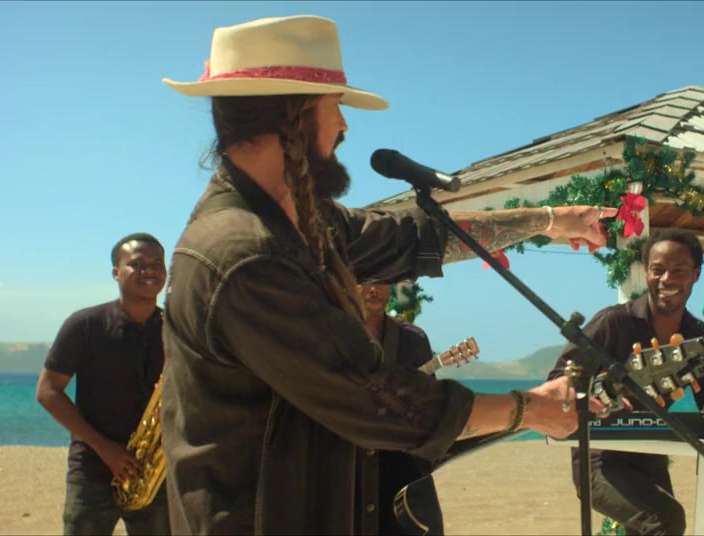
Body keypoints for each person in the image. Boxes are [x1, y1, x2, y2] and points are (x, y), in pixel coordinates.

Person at [157, 15, 615, 534]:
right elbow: (372, 400)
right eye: (335, 105)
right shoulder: (244, 253)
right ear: (293, 113)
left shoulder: (300, 221)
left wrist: (549, 221)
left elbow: (412, 237)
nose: (344, 126)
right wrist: (527, 409)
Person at [547, 228, 704, 536]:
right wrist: (594, 399)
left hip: (650, 456)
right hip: (600, 460)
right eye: (658, 270)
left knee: (662, 524)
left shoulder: (699, 335)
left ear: (696, 275)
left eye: (679, 270)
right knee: (666, 520)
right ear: (646, 273)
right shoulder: (613, 323)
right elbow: (558, 381)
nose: (667, 279)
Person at [35, 233, 170, 535]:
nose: (150, 271)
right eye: (138, 264)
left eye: (157, 264)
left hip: (155, 476)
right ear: (116, 273)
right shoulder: (85, 325)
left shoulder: (174, 329)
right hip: (92, 472)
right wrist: (105, 449)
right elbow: (47, 392)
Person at [357, 282, 447, 535]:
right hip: (347, 480)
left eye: (382, 280)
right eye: (365, 279)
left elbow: (430, 409)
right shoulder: (330, 337)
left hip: (404, 481)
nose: (374, 289)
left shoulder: (412, 339)